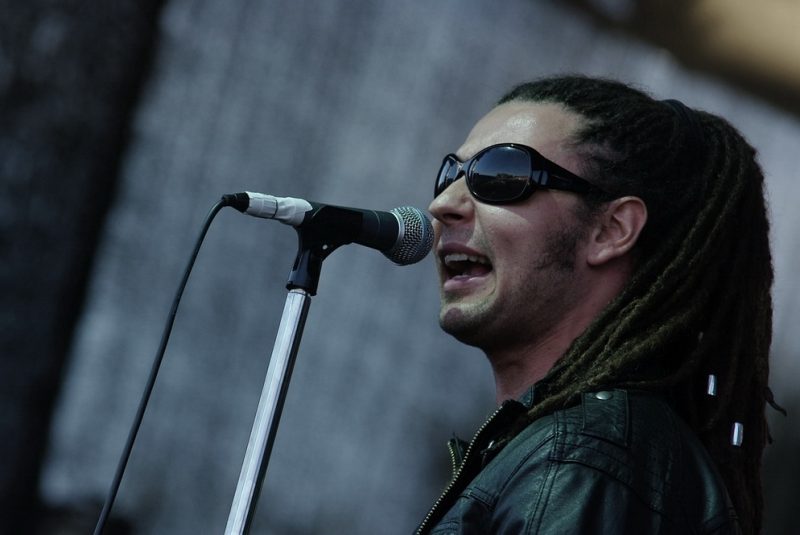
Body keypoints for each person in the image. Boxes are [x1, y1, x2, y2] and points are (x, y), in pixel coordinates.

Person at [415, 75, 779, 534]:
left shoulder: (582, 461)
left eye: (500, 174)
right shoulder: (578, 454)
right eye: (451, 174)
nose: (443, 203)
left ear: (611, 230)